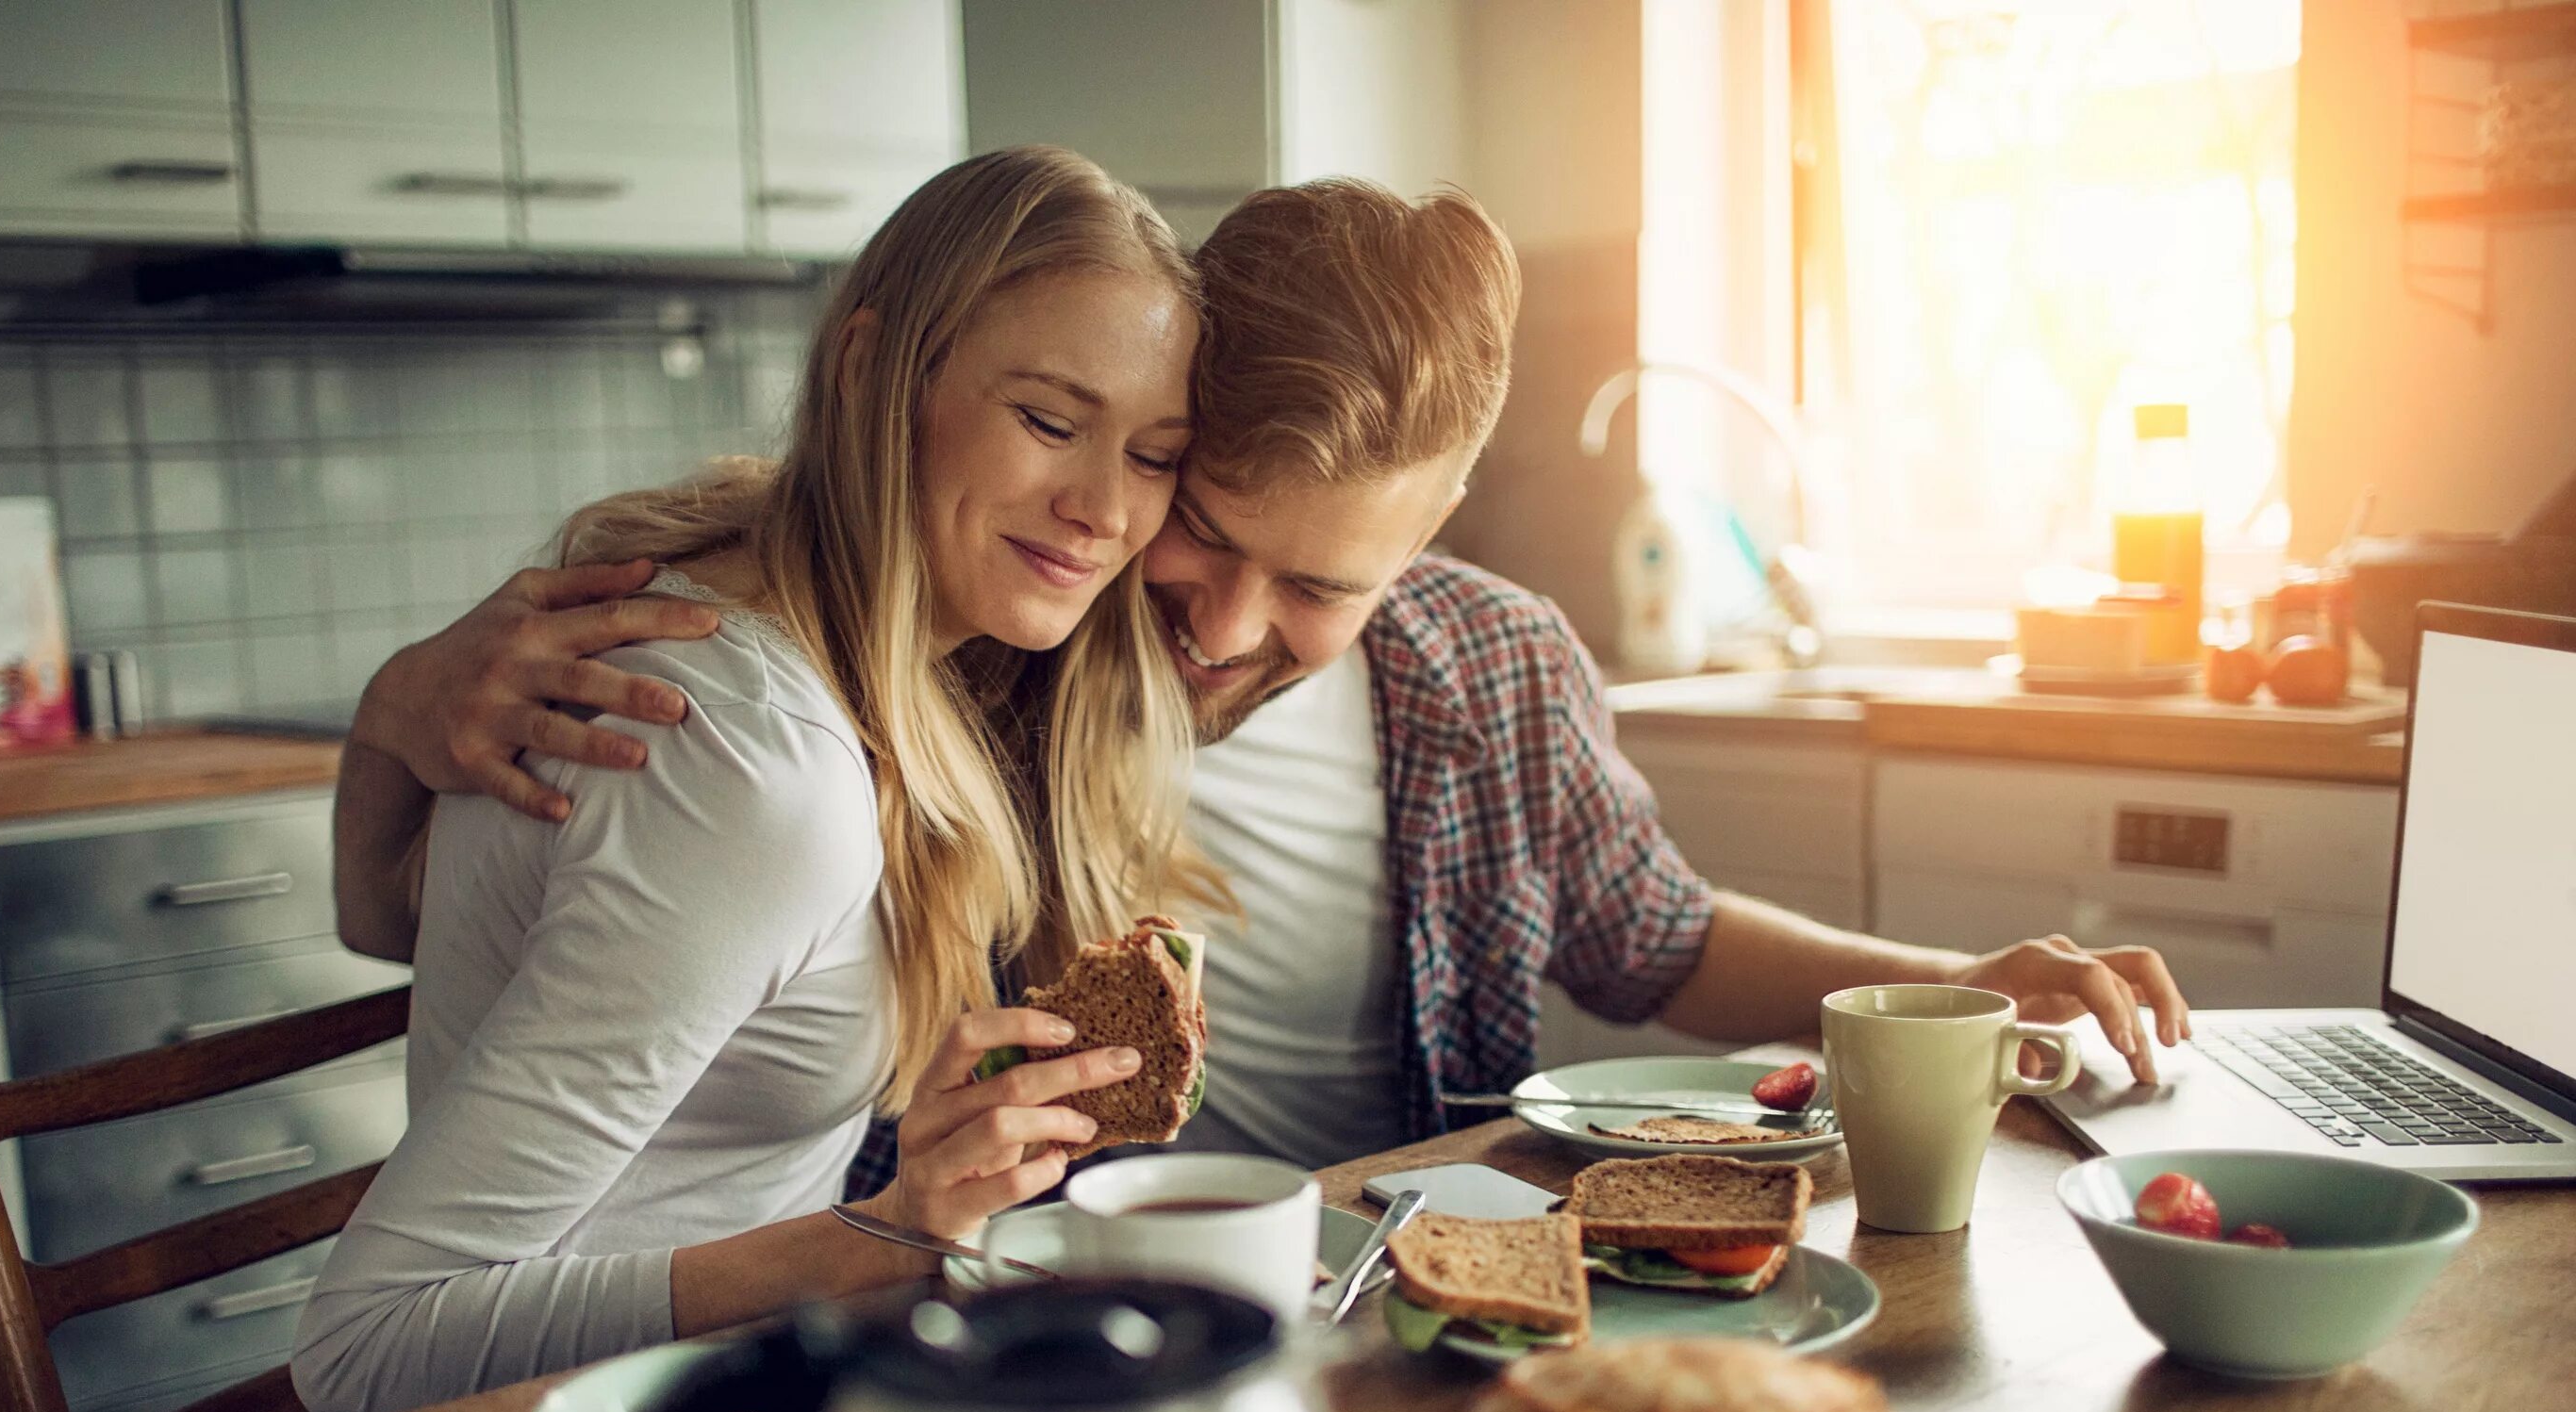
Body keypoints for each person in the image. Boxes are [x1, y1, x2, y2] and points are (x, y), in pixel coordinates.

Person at [338, 176, 2189, 1193]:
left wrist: (1954, 980)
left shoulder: (1486, 667)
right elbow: (470, 949)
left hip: (1381, 1283)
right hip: (993, 1306)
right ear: (1164, 439)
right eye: (1200, 527)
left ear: (1430, 539)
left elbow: (1655, 943)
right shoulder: (968, 645)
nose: (1222, 625)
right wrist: (396, 712)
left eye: (1318, 589)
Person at [291, 147, 1202, 1412]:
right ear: (873, 369)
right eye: (1050, 422)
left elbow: (398, 925)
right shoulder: (745, 766)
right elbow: (367, 1352)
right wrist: (884, 1235)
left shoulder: (775, 619)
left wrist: (395, 714)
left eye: (1155, 454)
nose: (1105, 507)